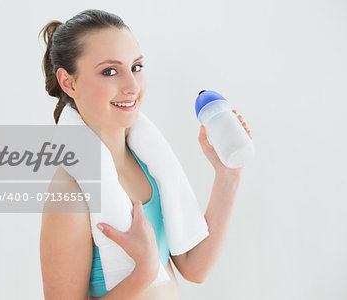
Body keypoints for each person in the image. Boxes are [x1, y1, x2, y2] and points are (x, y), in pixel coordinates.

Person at [38, 9, 252, 300]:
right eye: (110, 71)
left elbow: (194, 267)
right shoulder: (71, 191)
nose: (132, 86)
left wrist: (228, 177)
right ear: (68, 82)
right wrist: (144, 270)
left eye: (136, 67)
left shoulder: (149, 163)